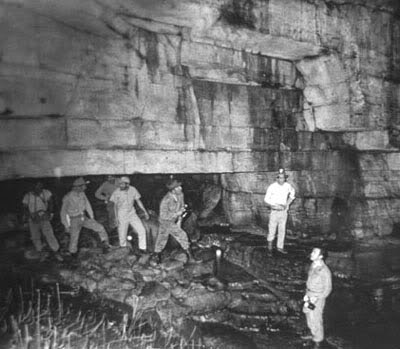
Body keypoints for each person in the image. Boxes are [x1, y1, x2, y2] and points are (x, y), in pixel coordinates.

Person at [153, 177, 200, 264]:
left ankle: (156, 256)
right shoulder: (165, 200)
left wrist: (179, 220)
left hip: (174, 219)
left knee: (162, 238)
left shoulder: (180, 194)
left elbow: (182, 207)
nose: (181, 188)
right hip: (165, 221)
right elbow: (163, 215)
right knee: (182, 235)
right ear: (173, 190)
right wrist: (176, 214)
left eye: (180, 186)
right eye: (178, 187)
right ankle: (191, 258)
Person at [60, 177, 111, 255]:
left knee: (100, 228)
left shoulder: (82, 194)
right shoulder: (68, 197)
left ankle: (106, 246)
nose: (85, 187)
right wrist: (66, 226)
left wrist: (92, 217)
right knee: (74, 239)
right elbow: (63, 212)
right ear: (78, 187)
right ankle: (72, 255)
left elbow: (87, 205)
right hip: (74, 220)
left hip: (84, 217)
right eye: (83, 185)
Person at [22, 182, 63, 261]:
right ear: (33, 188)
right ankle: (41, 252)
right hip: (33, 217)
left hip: (44, 216)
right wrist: (30, 216)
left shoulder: (46, 193)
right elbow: (25, 208)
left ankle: (56, 251)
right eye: (36, 187)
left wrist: (49, 213)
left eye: (40, 187)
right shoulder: (28, 196)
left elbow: (51, 203)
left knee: (49, 234)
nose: (38, 189)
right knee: (35, 236)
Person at [302, 247, 332, 349]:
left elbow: (328, 289)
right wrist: (307, 294)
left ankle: (318, 341)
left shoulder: (325, 271)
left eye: (314, 253)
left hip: (317, 298)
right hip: (309, 295)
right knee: (308, 313)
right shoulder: (313, 265)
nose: (311, 254)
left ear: (320, 256)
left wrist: (317, 298)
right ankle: (312, 333)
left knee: (316, 318)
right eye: (312, 252)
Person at [109, 176, 150, 252]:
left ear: (127, 184)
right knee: (122, 234)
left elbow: (138, 201)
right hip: (122, 214)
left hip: (132, 213)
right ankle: (124, 250)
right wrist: (116, 218)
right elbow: (115, 206)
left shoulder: (133, 189)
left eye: (122, 184)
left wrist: (145, 212)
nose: (120, 185)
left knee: (142, 230)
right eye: (120, 184)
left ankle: (142, 249)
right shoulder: (116, 192)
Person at [264, 168, 296, 254]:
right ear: (277, 178)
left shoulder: (288, 186)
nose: (282, 179)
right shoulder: (272, 187)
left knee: (282, 230)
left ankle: (280, 247)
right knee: (272, 230)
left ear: (285, 178)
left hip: (283, 212)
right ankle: (270, 249)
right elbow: (266, 199)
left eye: (283, 178)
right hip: (274, 211)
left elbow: (292, 194)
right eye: (280, 178)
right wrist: (274, 205)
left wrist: (287, 204)